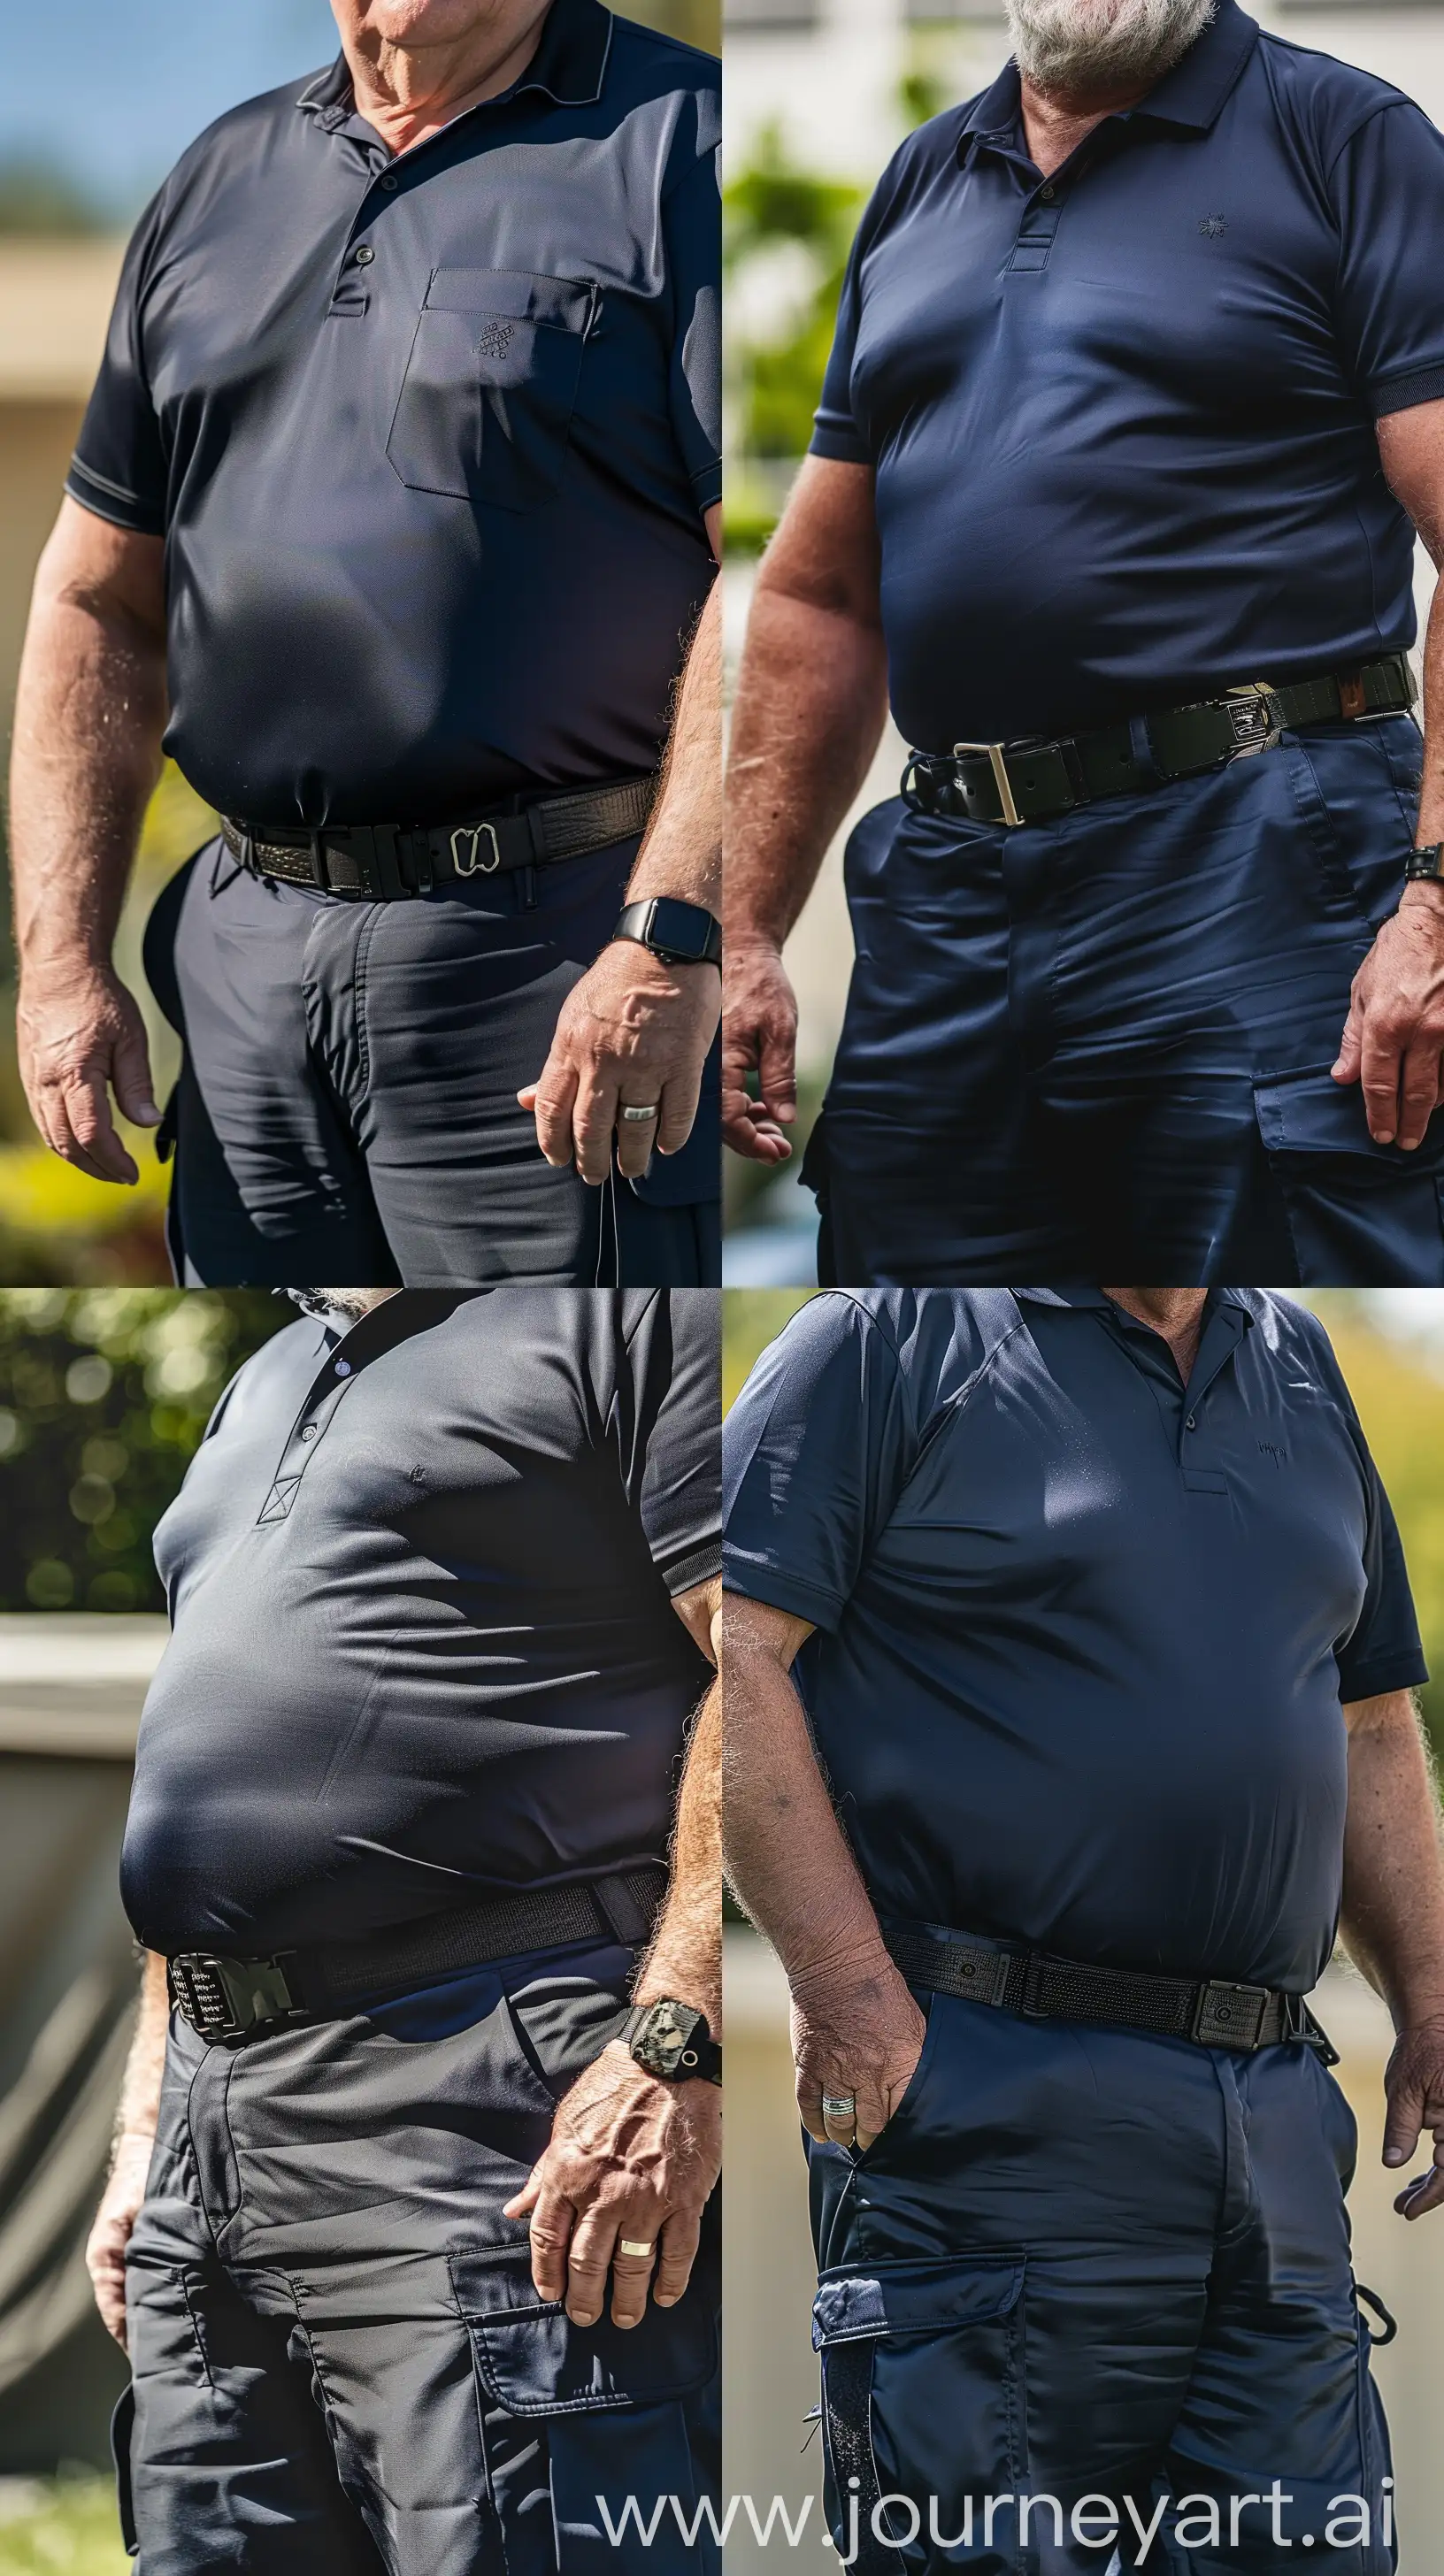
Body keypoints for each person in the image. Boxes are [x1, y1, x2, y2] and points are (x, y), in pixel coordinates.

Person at [723, 1285, 1444, 2571]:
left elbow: (1372, 1717)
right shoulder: (886, 1340)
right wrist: (841, 1981)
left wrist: (1435, 2004)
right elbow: (736, 1655)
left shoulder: (1301, 1355)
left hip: (1274, 2126)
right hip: (986, 2098)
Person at [725, 0, 1444, 1286]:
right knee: (916, 1341)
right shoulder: (924, 178)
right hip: (951, 894)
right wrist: (741, 931)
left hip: (1257, 871)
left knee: (1286, 1333)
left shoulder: (1344, 136)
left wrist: (1438, 906)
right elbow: (819, 598)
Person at [12, 0, 722, 1290]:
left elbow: (773, 581)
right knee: (295, 1400)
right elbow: (97, 603)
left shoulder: (684, 141)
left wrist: (673, 933)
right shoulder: (215, 179)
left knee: (569, 1427)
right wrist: (64, 959)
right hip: (244, 979)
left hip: (551, 966)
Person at [85, 1284, 722, 2574]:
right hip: (213, 2137)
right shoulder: (265, 1364)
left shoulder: (638, 1317)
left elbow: (764, 1666)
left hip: (478, 2087)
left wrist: (675, 2038)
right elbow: (210, 1780)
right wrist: (146, 2124)